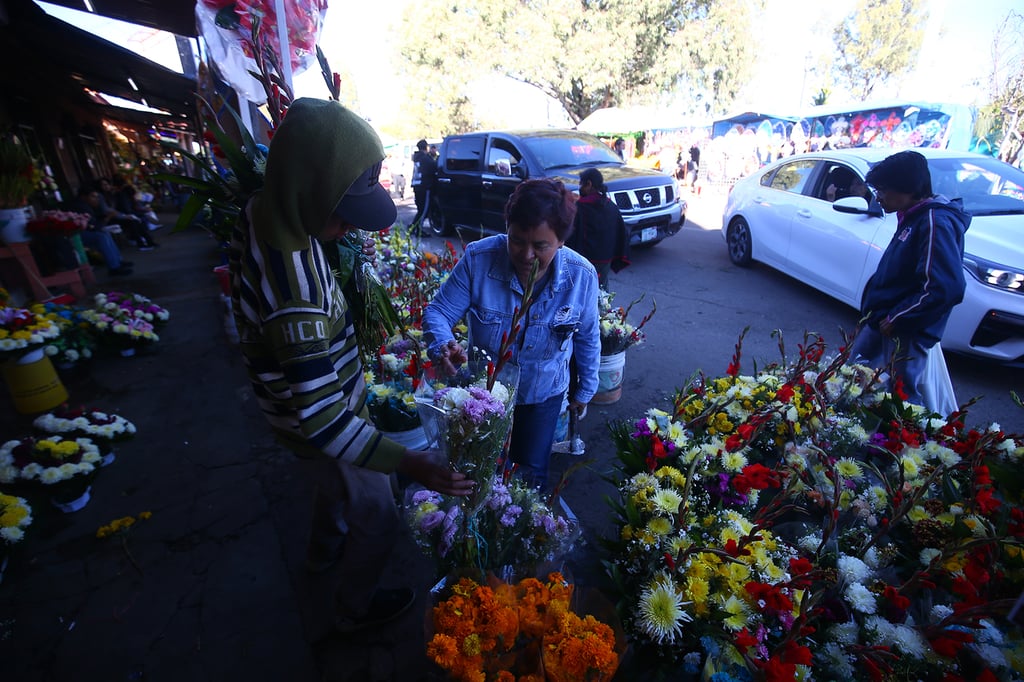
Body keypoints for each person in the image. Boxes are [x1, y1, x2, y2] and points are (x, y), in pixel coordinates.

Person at [228, 98, 473, 634]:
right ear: (307, 187)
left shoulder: (274, 211)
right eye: (344, 212)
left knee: (333, 490)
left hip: (313, 414)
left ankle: (322, 554)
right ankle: (352, 610)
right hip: (320, 423)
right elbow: (322, 421)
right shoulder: (293, 294)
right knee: (379, 513)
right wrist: (411, 464)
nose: (349, 228)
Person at [422, 178, 601, 490]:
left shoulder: (581, 276)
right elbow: (438, 312)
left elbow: (587, 336)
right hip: (483, 394)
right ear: (506, 227)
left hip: (543, 394)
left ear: (561, 241)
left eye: (541, 246)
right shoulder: (478, 260)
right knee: (476, 470)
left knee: (530, 477)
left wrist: (585, 390)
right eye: (517, 240)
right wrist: (442, 344)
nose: (527, 255)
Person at [849, 150, 970, 408]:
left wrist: (897, 317)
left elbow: (944, 287)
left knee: (900, 401)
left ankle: (901, 447)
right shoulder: (912, 216)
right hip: (883, 322)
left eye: (883, 189)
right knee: (856, 383)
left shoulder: (933, 220)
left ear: (908, 189)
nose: (878, 196)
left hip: (904, 332)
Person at [565, 168, 630, 290]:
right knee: (602, 290)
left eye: (581, 184)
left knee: (582, 289)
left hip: (583, 260)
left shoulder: (580, 207)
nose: (579, 187)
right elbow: (619, 232)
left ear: (588, 184)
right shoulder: (611, 206)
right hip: (605, 259)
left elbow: (570, 234)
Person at [67, 186, 134, 276]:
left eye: (96, 197)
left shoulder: (86, 205)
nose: (96, 199)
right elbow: (93, 226)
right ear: (83, 197)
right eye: (93, 196)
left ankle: (117, 261)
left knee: (105, 233)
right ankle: (114, 267)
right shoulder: (80, 206)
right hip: (75, 236)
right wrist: (108, 217)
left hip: (84, 231)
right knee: (101, 237)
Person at [96, 178, 158, 250]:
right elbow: (106, 210)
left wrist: (124, 215)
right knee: (132, 221)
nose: (106, 186)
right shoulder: (100, 196)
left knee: (135, 220)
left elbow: (115, 209)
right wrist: (124, 216)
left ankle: (148, 241)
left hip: (117, 216)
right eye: (103, 185)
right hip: (108, 218)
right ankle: (141, 243)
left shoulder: (111, 194)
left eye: (107, 184)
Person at [410, 139, 436, 228]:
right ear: (426, 147)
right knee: (424, 210)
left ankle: (413, 226)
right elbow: (434, 167)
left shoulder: (417, 157)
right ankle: (418, 229)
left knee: (420, 209)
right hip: (424, 187)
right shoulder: (426, 158)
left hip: (417, 186)